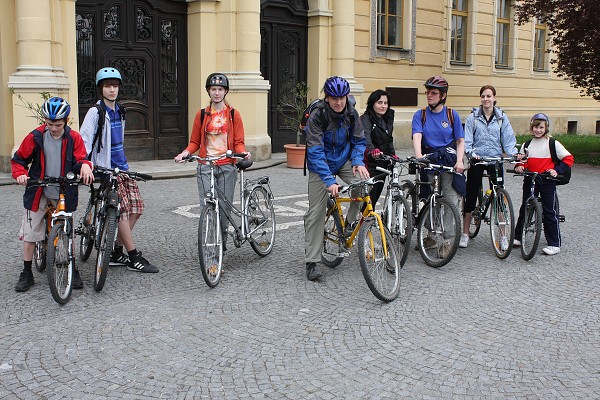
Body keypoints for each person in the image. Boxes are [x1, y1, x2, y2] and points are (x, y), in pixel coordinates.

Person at [80, 67, 158, 273]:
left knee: (137, 209)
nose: (112, 90)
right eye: (107, 86)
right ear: (101, 89)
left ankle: (115, 251)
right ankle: (133, 256)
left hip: (122, 166)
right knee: (121, 212)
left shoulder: (121, 110)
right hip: (105, 168)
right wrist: (84, 164)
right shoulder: (95, 112)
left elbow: (118, 142)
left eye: (115, 86)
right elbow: (84, 141)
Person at [12, 97, 94, 292]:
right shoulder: (36, 136)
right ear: (45, 121)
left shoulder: (74, 137)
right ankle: (26, 272)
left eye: (58, 124)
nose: (54, 128)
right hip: (38, 188)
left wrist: (85, 166)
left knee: (67, 229)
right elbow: (19, 160)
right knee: (31, 232)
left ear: (66, 121)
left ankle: (71, 266)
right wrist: (21, 174)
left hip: (63, 188)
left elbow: (81, 158)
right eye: (49, 124)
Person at [174, 72, 249, 251]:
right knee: (208, 208)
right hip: (205, 166)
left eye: (220, 89)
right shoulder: (201, 115)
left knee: (223, 210)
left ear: (225, 92)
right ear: (209, 91)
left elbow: (238, 142)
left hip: (226, 166)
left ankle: (220, 248)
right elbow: (194, 142)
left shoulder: (233, 115)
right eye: (213, 89)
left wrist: (242, 153)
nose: (216, 93)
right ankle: (212, 251)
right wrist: (185, 153)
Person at [304, 76, 369, 281]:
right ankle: (312, 262)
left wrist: (358, 161)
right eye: (334, 98)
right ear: (327, 97)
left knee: (363, 185)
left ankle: (349, 223)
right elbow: (314, 151)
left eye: (342, 97)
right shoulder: (317, 116)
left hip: (342, 160)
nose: (339, 102)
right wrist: (328, 180)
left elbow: (359, 140)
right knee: (316, 212)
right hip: (320, 165)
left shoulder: (351, 113)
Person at [411, 76, 465, 256]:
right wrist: (419, 157)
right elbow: (417, 136)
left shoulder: (451, 114)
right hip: (429, 158)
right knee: (429, 197)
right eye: (427, 92)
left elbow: (460, 140)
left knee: (450, 199)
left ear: (443, 96)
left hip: (448, 160)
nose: (429, 95)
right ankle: (432, 235)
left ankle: (448, 239)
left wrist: (459, 161)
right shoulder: (421, 115)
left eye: (433, 93)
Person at [460, 85, 518, 249]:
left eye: (488, 96)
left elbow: (508, 138)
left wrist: (512, 154)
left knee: (499, 197)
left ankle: (503, 236)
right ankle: (465, 233)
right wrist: (470, 153)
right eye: (483, 96)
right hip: (478, 159)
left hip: (495, 159)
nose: (486, 99)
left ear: (494, 98)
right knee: (470, 195)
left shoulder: (501, 118)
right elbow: (468, 138)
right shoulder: (473, 117)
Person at [514, 113, 573, 256]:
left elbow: (568, 158)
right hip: (530, 178)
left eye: (541, 127)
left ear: (546, 128)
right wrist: (519, 166)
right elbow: (522, 160)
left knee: (549, 210)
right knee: (525, 207)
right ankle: (518, 237)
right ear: (531, 127)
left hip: (546, 179)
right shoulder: (527, 144)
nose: (538, 130)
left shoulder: (553, 143)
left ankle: (554, 243)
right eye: (535, 127)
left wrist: (556, 170)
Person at [360, 89, 397, 211]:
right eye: (379, 102)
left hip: (382, 163)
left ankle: (366, 226)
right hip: (369, 163)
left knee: (374, 199)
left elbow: (388, 140)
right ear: (372, 103)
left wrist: (392, 155)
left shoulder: (387, 118)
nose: (383, 106)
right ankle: (358, 223)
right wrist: (372, 150)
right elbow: (365, 138)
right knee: (368, 200)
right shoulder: (366, 118)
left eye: (385, 103)